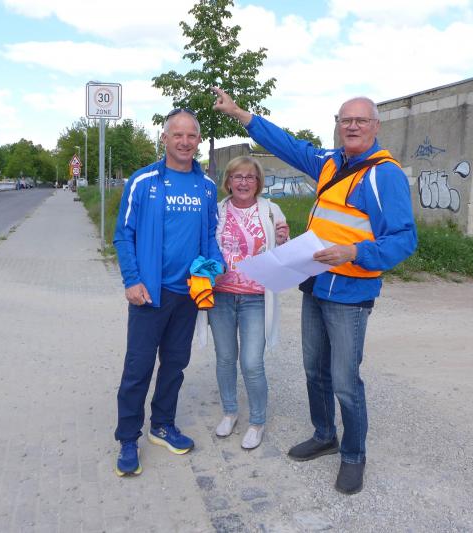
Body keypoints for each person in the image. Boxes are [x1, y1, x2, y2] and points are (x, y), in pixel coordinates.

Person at [213, 87, 417, 494]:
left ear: (376, 126)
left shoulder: (384, 174)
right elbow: (287, 145)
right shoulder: (330, 162)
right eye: (346, 120)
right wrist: (241, 114)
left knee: (345, 380)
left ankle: (353, 456)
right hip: (316, 284)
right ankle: (324, 435)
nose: (352, 126)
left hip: (350, 293)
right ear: (338, 125)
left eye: (360, 120)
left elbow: (404, 239)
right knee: (314, 370)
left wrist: (354, 251)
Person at [112, 108, 224, 477]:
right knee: (138, 368)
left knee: (175, 365)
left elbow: (209, 235)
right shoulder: (143, 181)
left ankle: (162, 425)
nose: (185, 142)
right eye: (178, 135)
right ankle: (128, 438)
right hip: (149, 294)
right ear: (164, 138)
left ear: (198, 141)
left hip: (187, 294)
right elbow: (123, 235)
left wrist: (216, 264)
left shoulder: (206, 186)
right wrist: (131, 280)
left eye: (192, 136)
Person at [205, 156, 288, 450]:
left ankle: (257, 421)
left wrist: (284, 240)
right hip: (221, 296)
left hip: (256, 298)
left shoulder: (271, 211)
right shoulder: (216, 211)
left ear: (258, 182)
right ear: (228, 181)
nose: (243, 182)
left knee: (252, 362)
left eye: (249, 177)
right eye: (237, 177)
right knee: (225, 358)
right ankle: (229, 412)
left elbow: (282, 255)